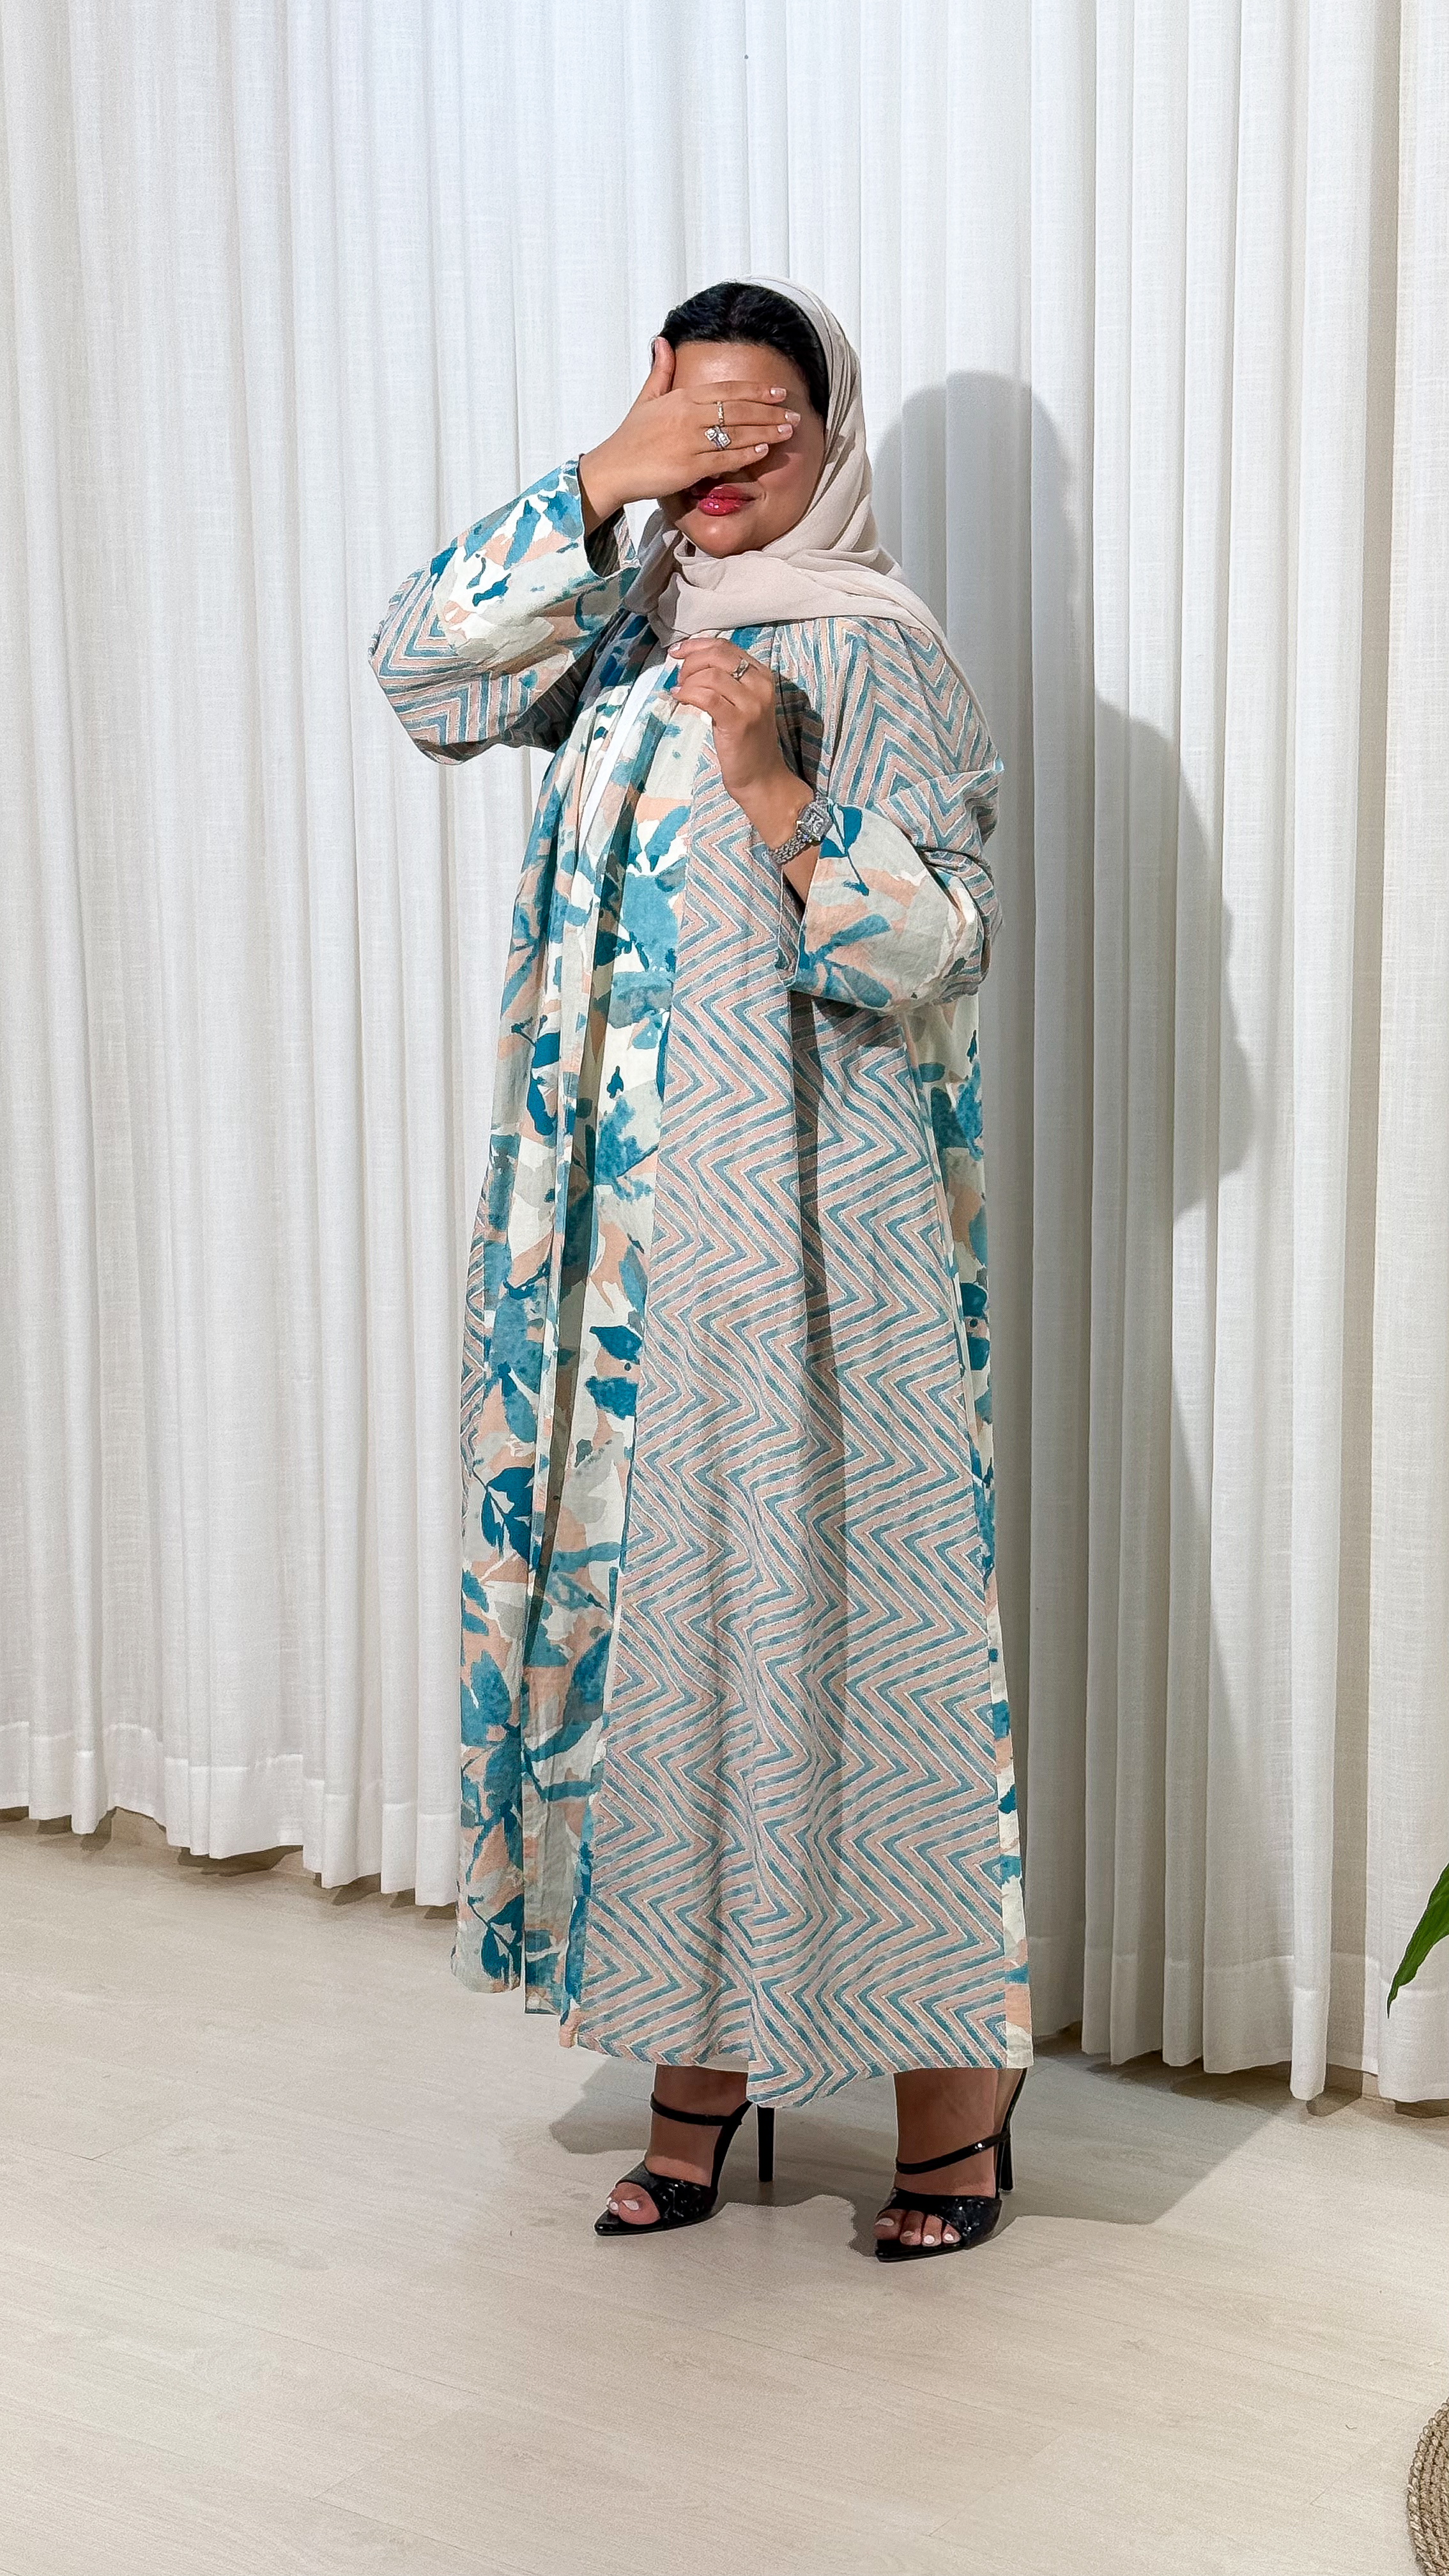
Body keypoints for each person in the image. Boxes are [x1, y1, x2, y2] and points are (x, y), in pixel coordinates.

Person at [370, 278, 1031, 2261]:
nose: (722, 462)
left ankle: (952, 2116)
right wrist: (602, 478)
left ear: (831, 441)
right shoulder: (622, 616)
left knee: (856, 1639)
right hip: (612, 1244)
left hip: (815, 1232)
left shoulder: (869, 643)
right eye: (694, 422)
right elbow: (422, 678)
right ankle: (696, 2070)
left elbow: (941, 945)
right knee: (660, 1645)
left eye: (762, 427)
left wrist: (774, 791)